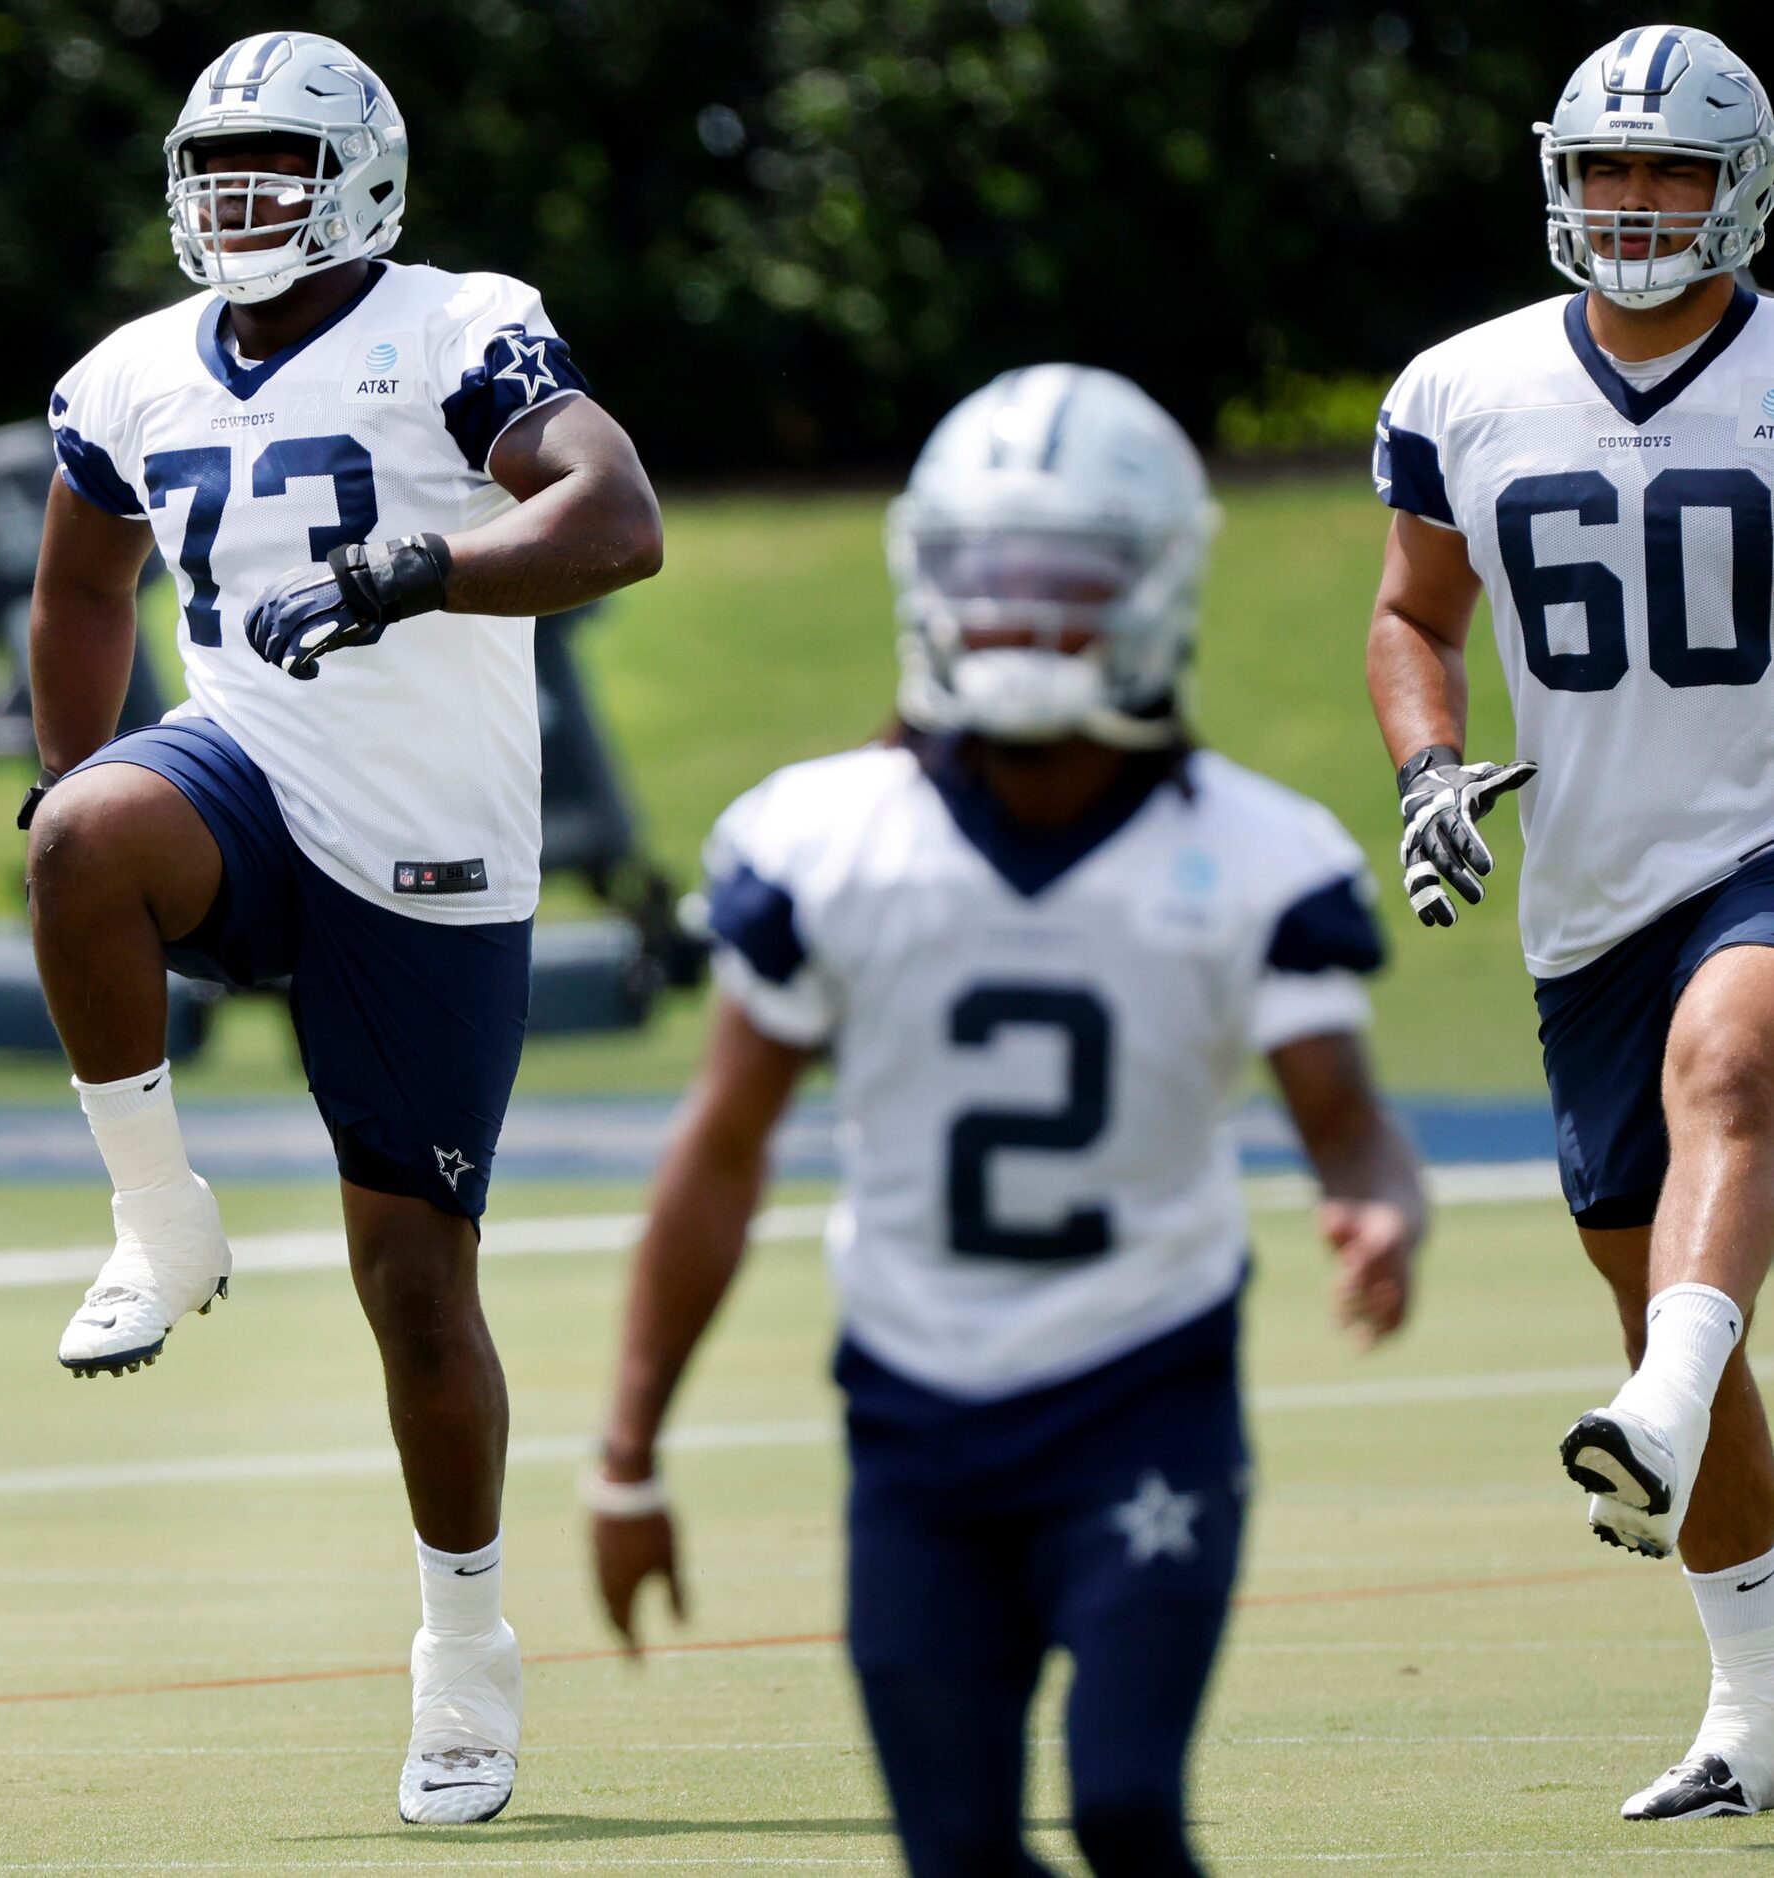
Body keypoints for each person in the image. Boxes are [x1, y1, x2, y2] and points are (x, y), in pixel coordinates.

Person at [591, 367, 1425, 1877]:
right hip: (914, 1420)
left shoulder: (1254, 856)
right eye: (996, 584)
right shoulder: (826, 840)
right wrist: (627, 1458)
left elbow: (1349, 1120)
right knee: (962, 1853)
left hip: (1140, 1392)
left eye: (1070, 587)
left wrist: (1379, 1204)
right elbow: (719, 1154)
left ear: (1155, 590)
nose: (1025, 623)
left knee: (1121, 1808)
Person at [20, 30, 663, 1824]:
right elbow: (82, 580)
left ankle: (464, 1651)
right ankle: (161, 1216)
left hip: (433, 849)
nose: (240, 203)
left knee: (415, 1290)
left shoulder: (458, 330)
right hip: (239, 790)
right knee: (78, 833)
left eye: (276, 170)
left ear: (360, 177)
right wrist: (93, 782)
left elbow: (618, 519)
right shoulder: (133, 371)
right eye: (215, 169)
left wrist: (413, 567)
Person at [1369, 24, 1774, 1821]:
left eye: (1671, 172)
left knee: (1733, 1062)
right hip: (1592, 888)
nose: (1633, 204)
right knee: (1659, 1279)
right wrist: (1428, 765)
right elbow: (1413, 615)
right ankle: (1759, 1706)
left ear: (1740, 184)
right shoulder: (1462, 384)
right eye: (1608, 168)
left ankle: (1665, 1413)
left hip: (1762, 848)